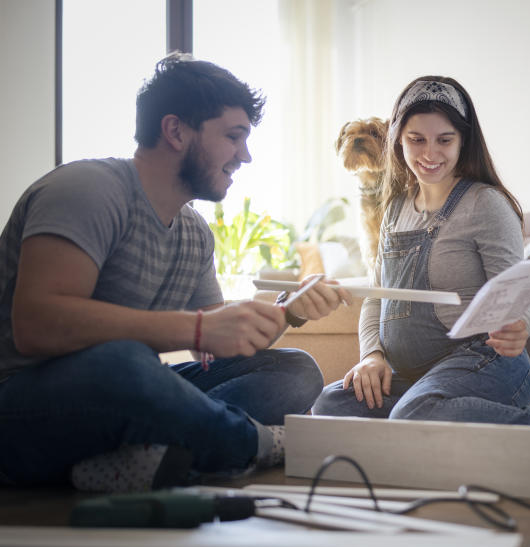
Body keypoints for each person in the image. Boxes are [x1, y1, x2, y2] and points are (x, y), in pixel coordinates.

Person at [0, 53, 351, 492]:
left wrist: (289, 312)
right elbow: (36, 326)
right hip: (23, 401)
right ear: (175, 130)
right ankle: (246, 444)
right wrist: (199, 328)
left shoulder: (194, 233)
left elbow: (218, 349)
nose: (245, 155)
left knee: (295, 371)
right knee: (122, 361)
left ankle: (135, 459)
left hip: (122, 398)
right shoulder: (86, 190)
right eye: (233, 136)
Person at [313, 76, 530, 425]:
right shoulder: (395, 209)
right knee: (330, 405)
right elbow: (376, 296)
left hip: (483, 362)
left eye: (444, 140)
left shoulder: (486, 204)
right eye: (416, 140)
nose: (430, 153)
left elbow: (516, 299)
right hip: (415, 375)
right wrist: (372, 355)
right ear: (397, 141)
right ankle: (420, 422)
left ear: (463, 142)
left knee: (413, 412)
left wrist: (519, 324)